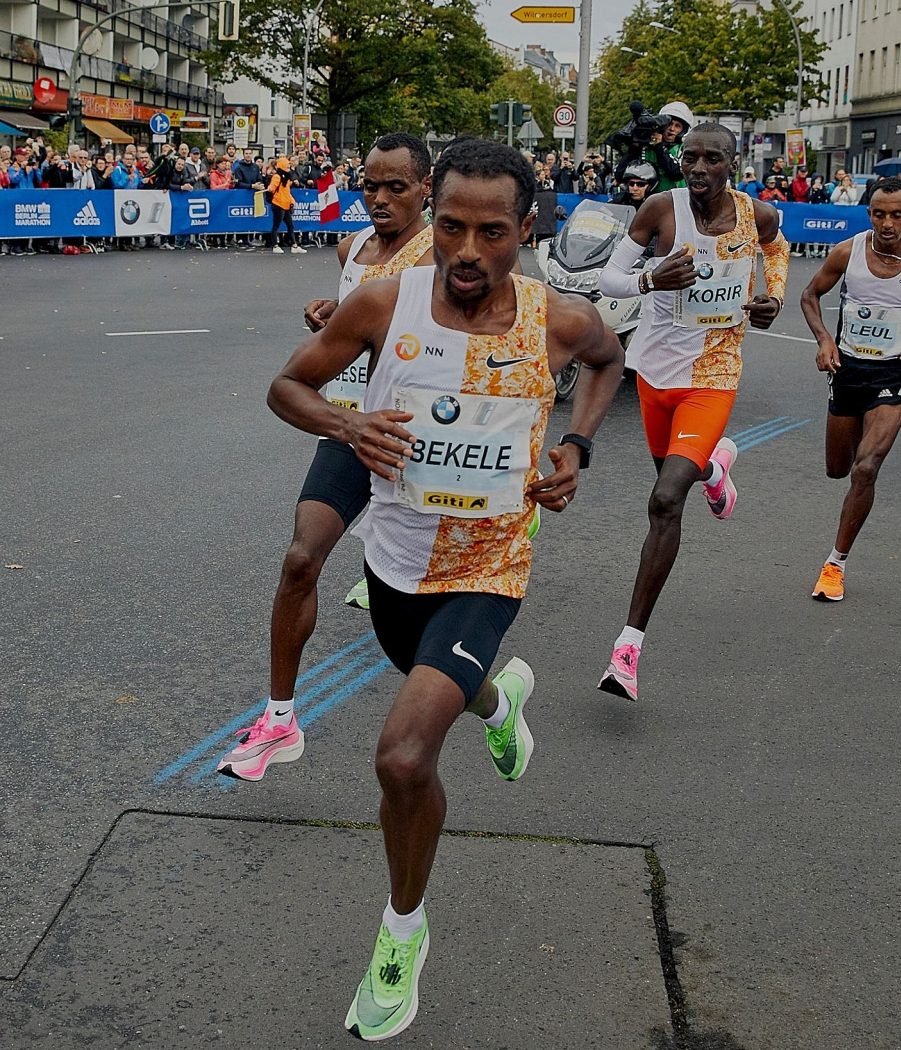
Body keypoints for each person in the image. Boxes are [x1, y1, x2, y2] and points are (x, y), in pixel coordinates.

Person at [265, 137, 624, 1041]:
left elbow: (609, 359)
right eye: (453, 227)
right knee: (435, 678)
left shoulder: (557, 320)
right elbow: (287, 386)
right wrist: (347, 425)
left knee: (402, 756)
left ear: (525, 231)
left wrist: (576, 446)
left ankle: (402, 932)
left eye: (491, 232)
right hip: (394, 564)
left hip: (489, 568)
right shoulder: (384, 304)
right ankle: (498, 700)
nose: (467, 250)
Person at [216, 133, 437, 782]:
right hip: (348, 426)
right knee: (300, 560)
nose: (379, 198)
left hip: (416, 438)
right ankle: (279, 719)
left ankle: (492, 697)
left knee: (415, 609)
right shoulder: (353, 248)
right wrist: (333, 316)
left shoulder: (441, 255)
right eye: (370, 185)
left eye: (396, 187)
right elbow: (359, 321)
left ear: (426, 189)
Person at [596, 122, 790, 700]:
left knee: (664, 500)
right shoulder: (661, 209)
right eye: (691, 157)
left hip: (714, 374)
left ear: (733, 163)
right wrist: (649, 280)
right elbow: (608, 278)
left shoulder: (756, 215)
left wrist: (774, 296)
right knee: (675, 476)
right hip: (655, 371)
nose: (699, 168)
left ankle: (627, 649)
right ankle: (714, 467)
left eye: (712, 159)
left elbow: (776, 250)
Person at [799, 177, 901, 602]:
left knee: (865, 468)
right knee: (838, 468)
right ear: (869, 214)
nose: (888, 223)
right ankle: (860, 447)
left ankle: (835, 564)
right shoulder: (848, 252)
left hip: (894, 375)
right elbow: (809, 295)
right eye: (879, 214)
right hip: (848, 370)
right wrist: (824, 339)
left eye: (897, 214)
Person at [266, 156, 305, 254]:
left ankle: (294, 246)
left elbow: (287, 192)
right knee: (276, 226)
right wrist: (270, 188)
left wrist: (291, 201)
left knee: (290, 225)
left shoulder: (286, 178)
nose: (289, 168)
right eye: (287, 166)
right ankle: (275, 245)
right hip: (278, 204)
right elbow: (272, 188)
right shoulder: (277, 176)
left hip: (285, 204)